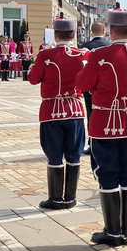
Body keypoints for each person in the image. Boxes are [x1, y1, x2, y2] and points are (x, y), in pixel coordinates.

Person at [75, 8, 127, 247]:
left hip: (105, 123)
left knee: (106, 173)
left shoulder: (100, 55)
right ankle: (126, 230)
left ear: (110, 29)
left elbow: (83, 84)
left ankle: (113, 231)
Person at [29, 14, 90, 210]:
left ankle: (55, 199)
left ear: (55, 35)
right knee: (74, 155)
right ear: (73, 34)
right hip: (75, 110)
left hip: (51, 111)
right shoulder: (83, 54)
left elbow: (32, 79)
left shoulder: (45, 55)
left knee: (54, 155)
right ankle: (70, 197)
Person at [79, 21, 110, 146]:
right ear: (104, 31)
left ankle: (92, 142)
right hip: (108, 87)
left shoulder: (84, 47)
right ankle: (107, 140)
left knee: (91, 115)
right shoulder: (110, 46)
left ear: (92, 31)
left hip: (90, 87)